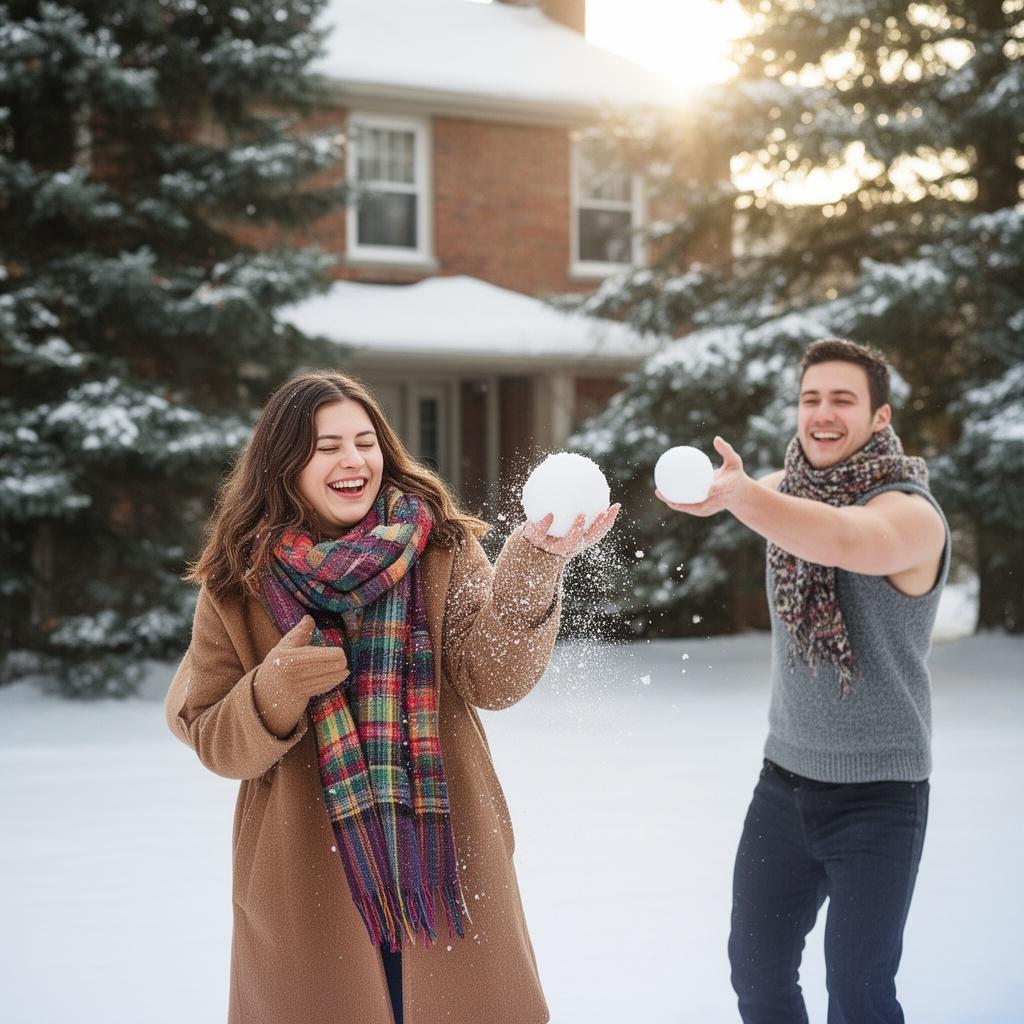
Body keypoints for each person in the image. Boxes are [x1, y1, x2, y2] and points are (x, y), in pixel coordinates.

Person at [165, 370, 618, 1024]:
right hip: (306, 878)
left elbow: (492, 679)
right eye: (326, 446)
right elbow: (211, 737)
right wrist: (274, 688)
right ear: (283, 463)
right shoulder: (238, 583)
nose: (353, 460)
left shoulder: (440, 547)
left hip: (443, 863)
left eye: (364, 441)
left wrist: (535, 563)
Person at [657, 339, 948, 1024]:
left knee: (860, 997)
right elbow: (775, 507)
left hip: (880, 798)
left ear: (880, 416)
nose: (822, 412)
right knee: (757, 978)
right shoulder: (786, 491)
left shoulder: (913, 514)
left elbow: (843, 539)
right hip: (783, 786)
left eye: (842, 399)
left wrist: (743, 498)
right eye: (810, 397)